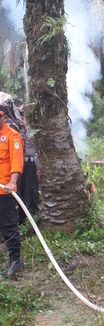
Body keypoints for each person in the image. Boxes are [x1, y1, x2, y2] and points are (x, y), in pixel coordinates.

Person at [0, 104, 24, 278]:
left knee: (9, 226)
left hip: (6, 191)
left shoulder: (13, 137)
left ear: (5, 118)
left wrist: (12, 182)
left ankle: (15, 261)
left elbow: (16, 164)